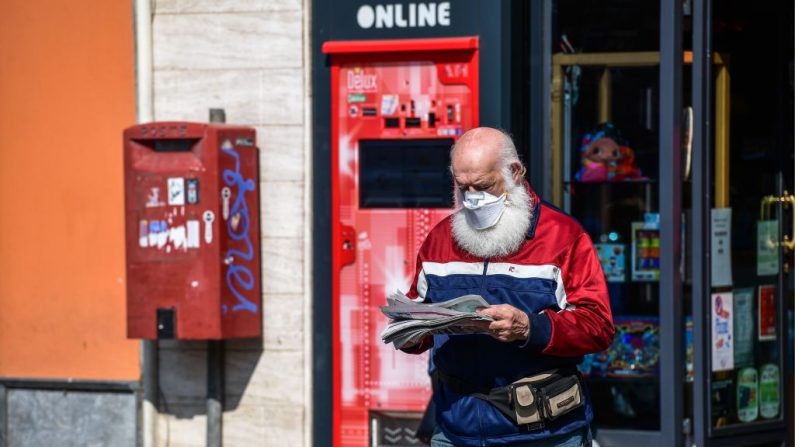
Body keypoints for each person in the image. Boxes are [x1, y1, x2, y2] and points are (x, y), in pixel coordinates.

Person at [402, 127, 614, 447]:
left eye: (484, 186)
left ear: (514, 172)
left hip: (544, 432)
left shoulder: (563, 236)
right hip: (457, 427)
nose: (473, 197)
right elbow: (415, 318)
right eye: (463, 188)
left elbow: (598, 325)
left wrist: (530, 327)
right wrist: (407, 328)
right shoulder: (440, 239)